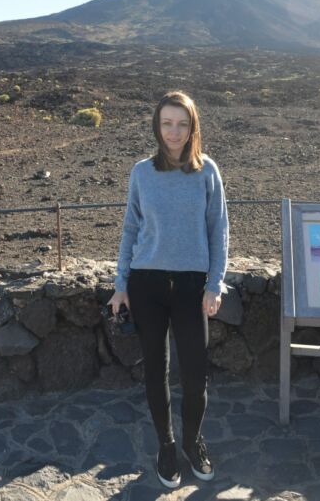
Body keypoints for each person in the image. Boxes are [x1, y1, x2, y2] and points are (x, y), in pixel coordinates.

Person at [108, 90, 229, 489]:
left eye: (182, 123)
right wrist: (120, 284)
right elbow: (130, 229)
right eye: (166, 123)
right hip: (147, 284)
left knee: (195, 374)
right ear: (157, 126)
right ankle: (167, 445)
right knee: (156, 372)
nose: (174, 132)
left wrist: (215, 284)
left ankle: (193, 442)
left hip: (193, 287)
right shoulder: (142, 172)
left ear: (193, 126)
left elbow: (219, 231)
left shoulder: (207, 171)